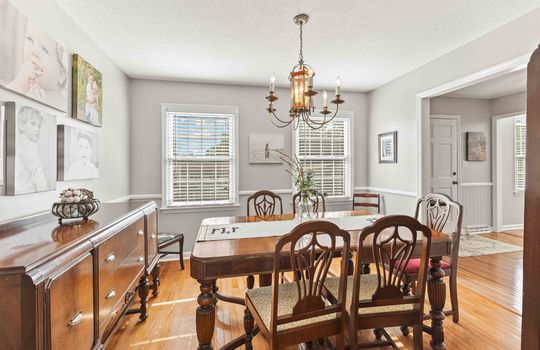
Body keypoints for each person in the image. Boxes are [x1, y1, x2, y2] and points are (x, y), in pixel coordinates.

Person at [6, 22, 67, 109]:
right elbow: (4, 100)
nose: (34, 52)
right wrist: (20, 83)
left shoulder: (63, 105)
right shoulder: (23, 85)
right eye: (30, 39)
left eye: (45, 49)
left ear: (62, 72)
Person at [15, 106, 49, 193]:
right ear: (22, 126)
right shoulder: (27, 143)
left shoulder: (21, 142)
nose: (37, 129)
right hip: (26, 192)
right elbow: (37, 170)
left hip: (20, 191)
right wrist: (45, 191)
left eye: (39, 126)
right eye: (33, 124)